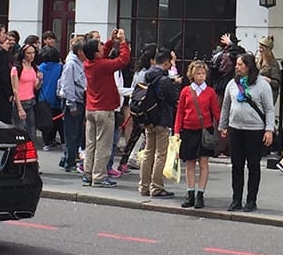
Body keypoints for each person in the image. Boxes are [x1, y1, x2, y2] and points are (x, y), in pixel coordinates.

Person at [219, 52, 275, 212]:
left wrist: (269, 130)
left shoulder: (262, 85)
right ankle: (236, 199)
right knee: (236, 166)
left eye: (240, 65)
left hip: (255, 131)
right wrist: (223, 126)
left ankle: (251, 200)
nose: (236, 67)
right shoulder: (232, 84)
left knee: (253, 166)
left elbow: (269, 109)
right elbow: (226, 106)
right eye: (236, 65)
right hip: (235, 129)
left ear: (249, 66)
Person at [82, 29, 130, 188]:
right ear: (96, 52)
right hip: (104, 109)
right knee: (103, 145)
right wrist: (122, 42)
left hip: (91, 108)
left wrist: (110, 41)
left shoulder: (88, 63)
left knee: (91, 144)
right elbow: (123, 60)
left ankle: (88, 174)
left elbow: (102, 54)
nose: (103, 47)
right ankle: (99, 177)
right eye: (100, 46)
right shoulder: (102, 65)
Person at [174, 60, 219, 209]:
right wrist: (176, 131)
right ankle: (190, 193)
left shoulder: (210, 92)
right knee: (190, 163)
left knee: (204, 163)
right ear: (192, 75)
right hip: (188, 130)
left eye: (203, 73)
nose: (201, 76)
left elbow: (215, 111)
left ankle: (200, 194)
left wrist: (222, 126)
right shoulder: (186, 91)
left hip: (204, 130)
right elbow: (180, 112)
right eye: (198, 74)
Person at [137, 49, 179, 198]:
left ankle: (144, 186)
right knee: (160, 154)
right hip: (161, 119)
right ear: (167, 62)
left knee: (148, 152)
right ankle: (157, 187)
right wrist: (175, 82)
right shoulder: (164, 80)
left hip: (148, 119)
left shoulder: (146, 76)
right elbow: (173, 97)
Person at [58, 36, 87, 174]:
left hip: (81, 101)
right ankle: (70, 163)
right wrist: (71, 105)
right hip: (73, 102)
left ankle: (67, 158)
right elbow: (68, 85)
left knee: (78, 134)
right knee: (72, 134)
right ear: (80, 51)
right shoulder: (71, 65)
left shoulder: (81, 63)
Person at [11, 44, 42, 144]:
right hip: (20, 102)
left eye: (33, 53)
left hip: (31, 101)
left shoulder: (34, 67)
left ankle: (31, 154)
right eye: (29, 53)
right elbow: (15, 89)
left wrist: (40, 80)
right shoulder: (16, 69)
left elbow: (35, 87)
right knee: (20, 132)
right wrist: (20, 108)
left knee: (32, 132)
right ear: (23, 54)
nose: (32, 55)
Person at [37, 41, 63, 151]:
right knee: (59, 121)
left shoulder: (41, 67)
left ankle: (47, 142)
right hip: (56, 98)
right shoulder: (59, 67)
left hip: (43, 98)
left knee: (46, 122)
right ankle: (63, 141)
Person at [255, 35, 281, 104]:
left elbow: (276, 83)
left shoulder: (273, 64)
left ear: (266, 49)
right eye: (259, 47)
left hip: (268, 94)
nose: (259, 50)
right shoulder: (258, 61)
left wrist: (268, 80)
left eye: (261, 48)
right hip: (258, 93)